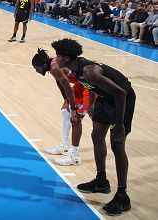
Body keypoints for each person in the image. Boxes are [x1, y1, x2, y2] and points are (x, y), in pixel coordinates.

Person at [52, 38, 135, 216]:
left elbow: (120, 93)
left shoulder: (89, 71)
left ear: (66, 57)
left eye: (58, 56)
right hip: (105, 100)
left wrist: (119, 123)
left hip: (122, 101)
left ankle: (122, 195)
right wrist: (91, 104)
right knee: (97, 137)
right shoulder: (76, 69)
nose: (55, 59)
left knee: (117, 145)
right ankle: (101, 181)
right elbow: (93, 86)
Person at [32, 48, 92, 166]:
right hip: (80, 86)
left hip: (88, 87)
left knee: (76, 119)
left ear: (43, 65)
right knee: (65, 111)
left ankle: (74, 155)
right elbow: (61, 84)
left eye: (37, 69)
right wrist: (66, 100)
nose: (37, 71)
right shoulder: (51, 67)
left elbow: (68, 88)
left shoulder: (55, 68)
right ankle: (65, 145)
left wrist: (73, 108)